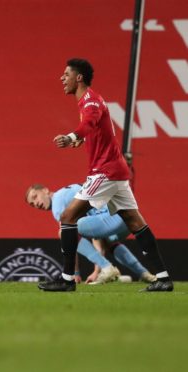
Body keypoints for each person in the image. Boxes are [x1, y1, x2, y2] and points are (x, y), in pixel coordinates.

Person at [41, 58, 172, 292]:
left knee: (68, 217)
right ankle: (163, 278)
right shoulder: (91, 100)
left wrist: (72, 136)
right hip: (116, 170)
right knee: (135, 221)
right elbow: (95, 128)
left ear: (78, 77)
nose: (62, 78)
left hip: (105, 171)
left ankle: (67, 279)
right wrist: (82, 139)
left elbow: (90, 122)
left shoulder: (89, 101)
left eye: (66, 74)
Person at [26, 183, 157, 284]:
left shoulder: (57, 203)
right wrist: (96, 271)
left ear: (45, 190)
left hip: (112, 217)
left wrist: (75, 273)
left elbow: (68, 238)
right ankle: (144, 274)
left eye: (35, 197)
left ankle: (108, 268)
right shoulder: (67, 193)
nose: (36, 203)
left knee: (64, 232)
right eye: (32, 204)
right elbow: (97, 237)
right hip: (126, 216)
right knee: (108, 241)